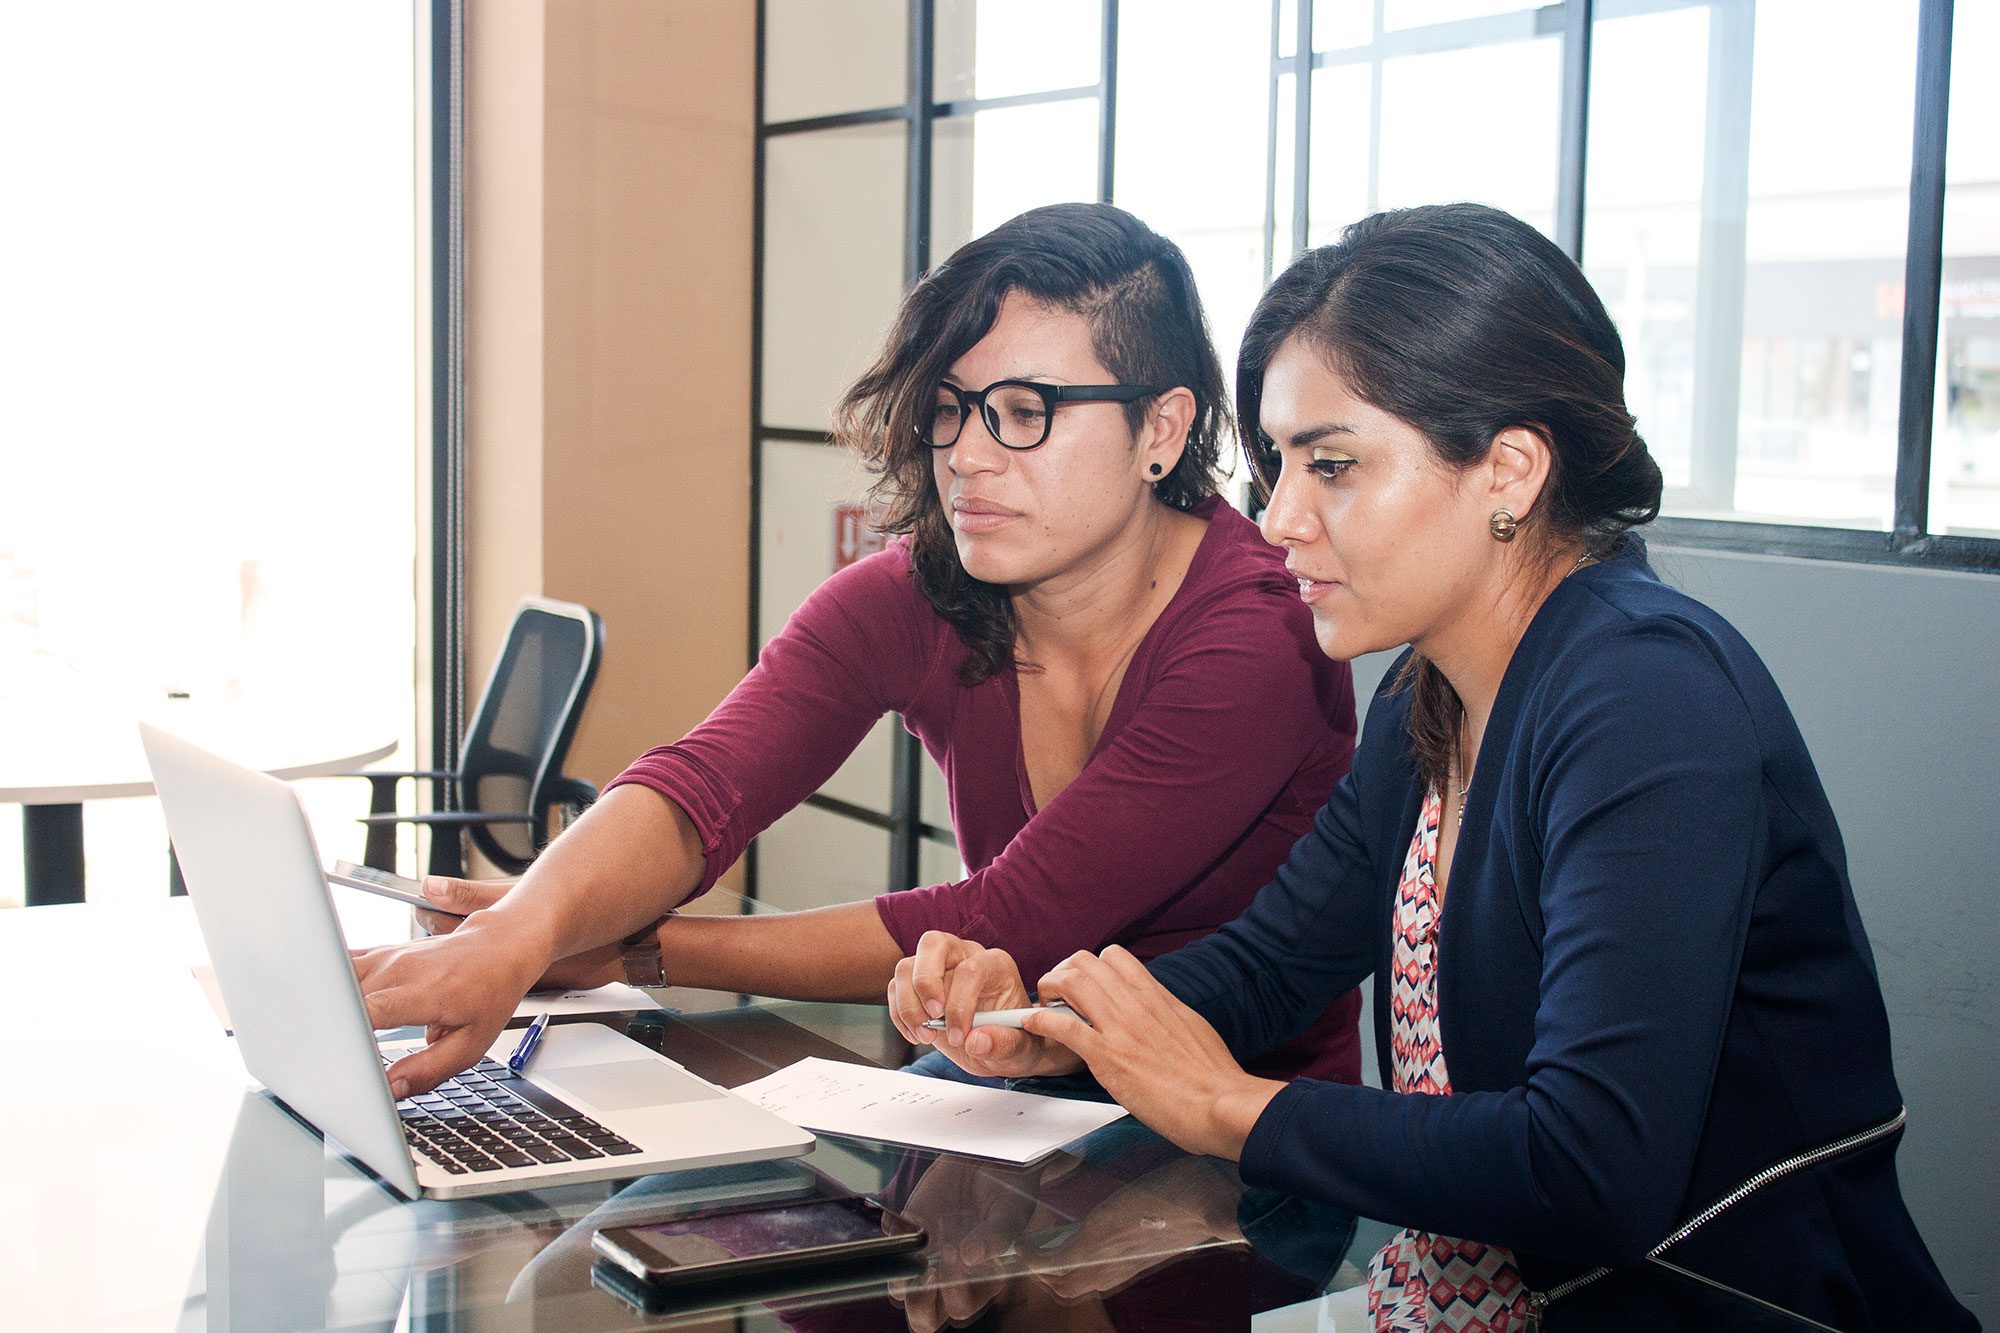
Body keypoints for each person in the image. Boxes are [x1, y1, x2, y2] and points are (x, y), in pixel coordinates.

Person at [891, 203, 1975, 1330]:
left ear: (1507, 468)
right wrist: (1038, 1027)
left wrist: (1232, 1106)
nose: (1275, 518)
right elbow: (1268, 966)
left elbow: (1589, 1166)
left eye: (1333, 465)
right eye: (1275, 462)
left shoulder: (1647, 696)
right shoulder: (1432, 693)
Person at [355, 202, 1362, 1100]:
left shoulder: (1259, 633)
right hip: (1002, 1084)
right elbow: (705, 782)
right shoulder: (923, 591)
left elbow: (1008, 912)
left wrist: (632, 949)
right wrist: (527, 925)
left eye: (1023, 414)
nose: (966, 454)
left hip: (1238, 1139)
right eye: (949, 410)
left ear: (1161, 427)